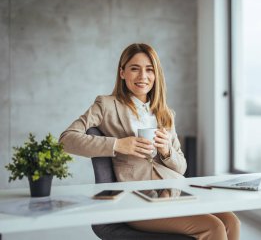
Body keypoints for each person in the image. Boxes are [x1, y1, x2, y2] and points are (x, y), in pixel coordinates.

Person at [59, 43, 240, 240]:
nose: (142, 76)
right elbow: (66, 139)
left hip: (173, 192)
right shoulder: (106, 105)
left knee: (231, 221)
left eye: (149, 70)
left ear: (156, 74)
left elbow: (181, 167)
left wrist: (167, 151)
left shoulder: (165, 113)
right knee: (212, 227)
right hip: (136, 199)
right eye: (134, 69)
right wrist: (118, 145)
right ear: (122, 72)